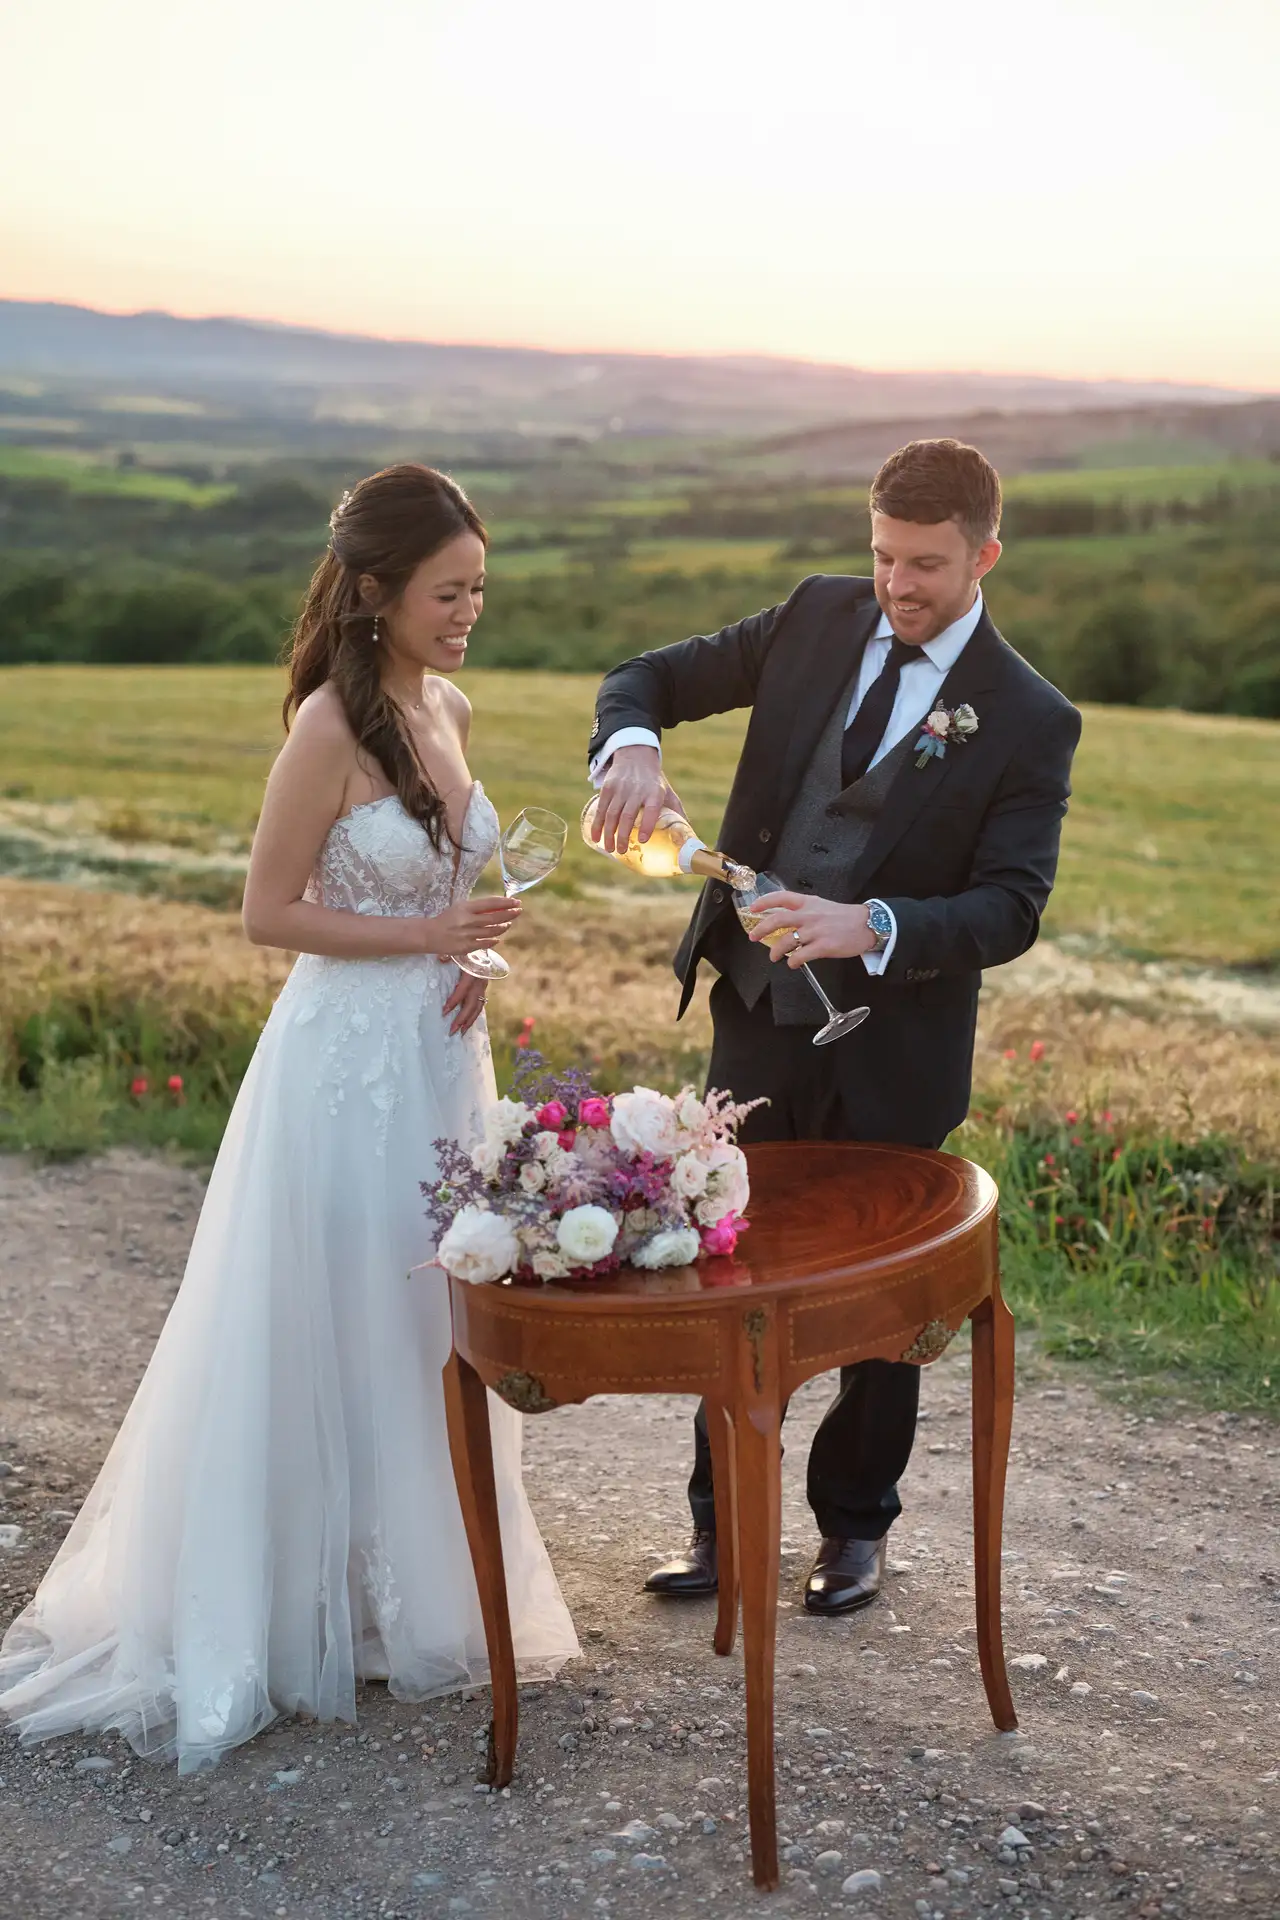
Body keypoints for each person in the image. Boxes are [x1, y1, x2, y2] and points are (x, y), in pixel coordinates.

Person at [0, 464, 578, 1770]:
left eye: (480, 587)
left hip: (436, 1065)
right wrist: (426, 931)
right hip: (337, 1073)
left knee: (427, 1316)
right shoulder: (329, 725)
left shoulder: (454, 704)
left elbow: (443, 883)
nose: (469, 610)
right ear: (376, 593)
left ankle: (413, 1600)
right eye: (449, 590)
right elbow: (268, 915)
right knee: (331, 1310)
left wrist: (466, 959)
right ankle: (292, 1601)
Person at [589, 438, 1080, 1617]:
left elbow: (1009, 908)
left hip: (897, 1054)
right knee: (725, 1267)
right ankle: (718, 1528)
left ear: (983, 555)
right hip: (754, 1023)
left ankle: (851, 1532)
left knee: (882, 1312)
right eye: (880, 556)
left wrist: (869, 923)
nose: (894, 586)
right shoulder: (813, 617)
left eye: (923, 565)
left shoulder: (1026, 716)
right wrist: (635, 747)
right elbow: (639, 679)